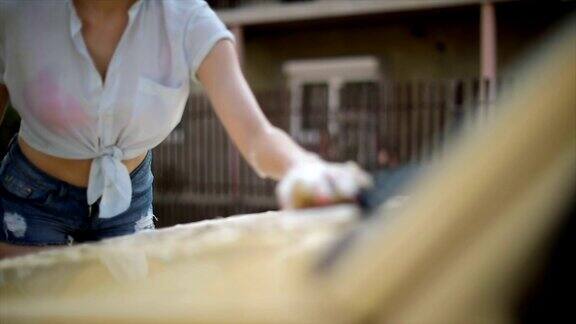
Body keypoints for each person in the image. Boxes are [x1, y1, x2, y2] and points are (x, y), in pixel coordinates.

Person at [0, 0, 371, 258]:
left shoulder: (187, 20)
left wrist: (307, 170)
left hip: (127, 200)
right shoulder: (14, 15)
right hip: (31, 199)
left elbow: (258, 137)